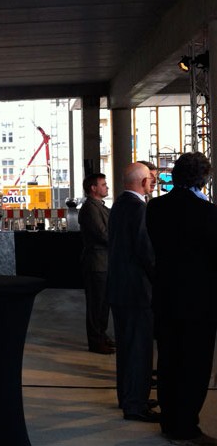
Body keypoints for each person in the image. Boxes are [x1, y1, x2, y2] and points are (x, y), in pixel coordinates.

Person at [146, 152, 217, 445]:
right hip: (199, 301)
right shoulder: (209, 213)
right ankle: (186, 427)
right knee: (195, 364)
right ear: (203, 178)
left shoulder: (156, 208)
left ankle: (169, 423)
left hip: (165, 297)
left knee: (168, 361)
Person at [107, 162, 158, 422]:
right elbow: (145, 250)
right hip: (137, 291)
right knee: (139, 349)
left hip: (119, 289)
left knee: (127, 349)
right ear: (142, 182)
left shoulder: (118, 205)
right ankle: (136, 404)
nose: (154, 182)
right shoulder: (138, 208)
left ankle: (127, 397)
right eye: (150, 179)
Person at [78, 173, 114, 354]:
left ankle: (101, 335)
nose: (106, 187)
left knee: (103, 303)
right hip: (96, 263)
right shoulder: (90, 208)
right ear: (93, 188)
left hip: (104, 262)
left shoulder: (99, 206)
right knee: (96, 304)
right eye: (103, 184)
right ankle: (95, 341)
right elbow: (103, 234)